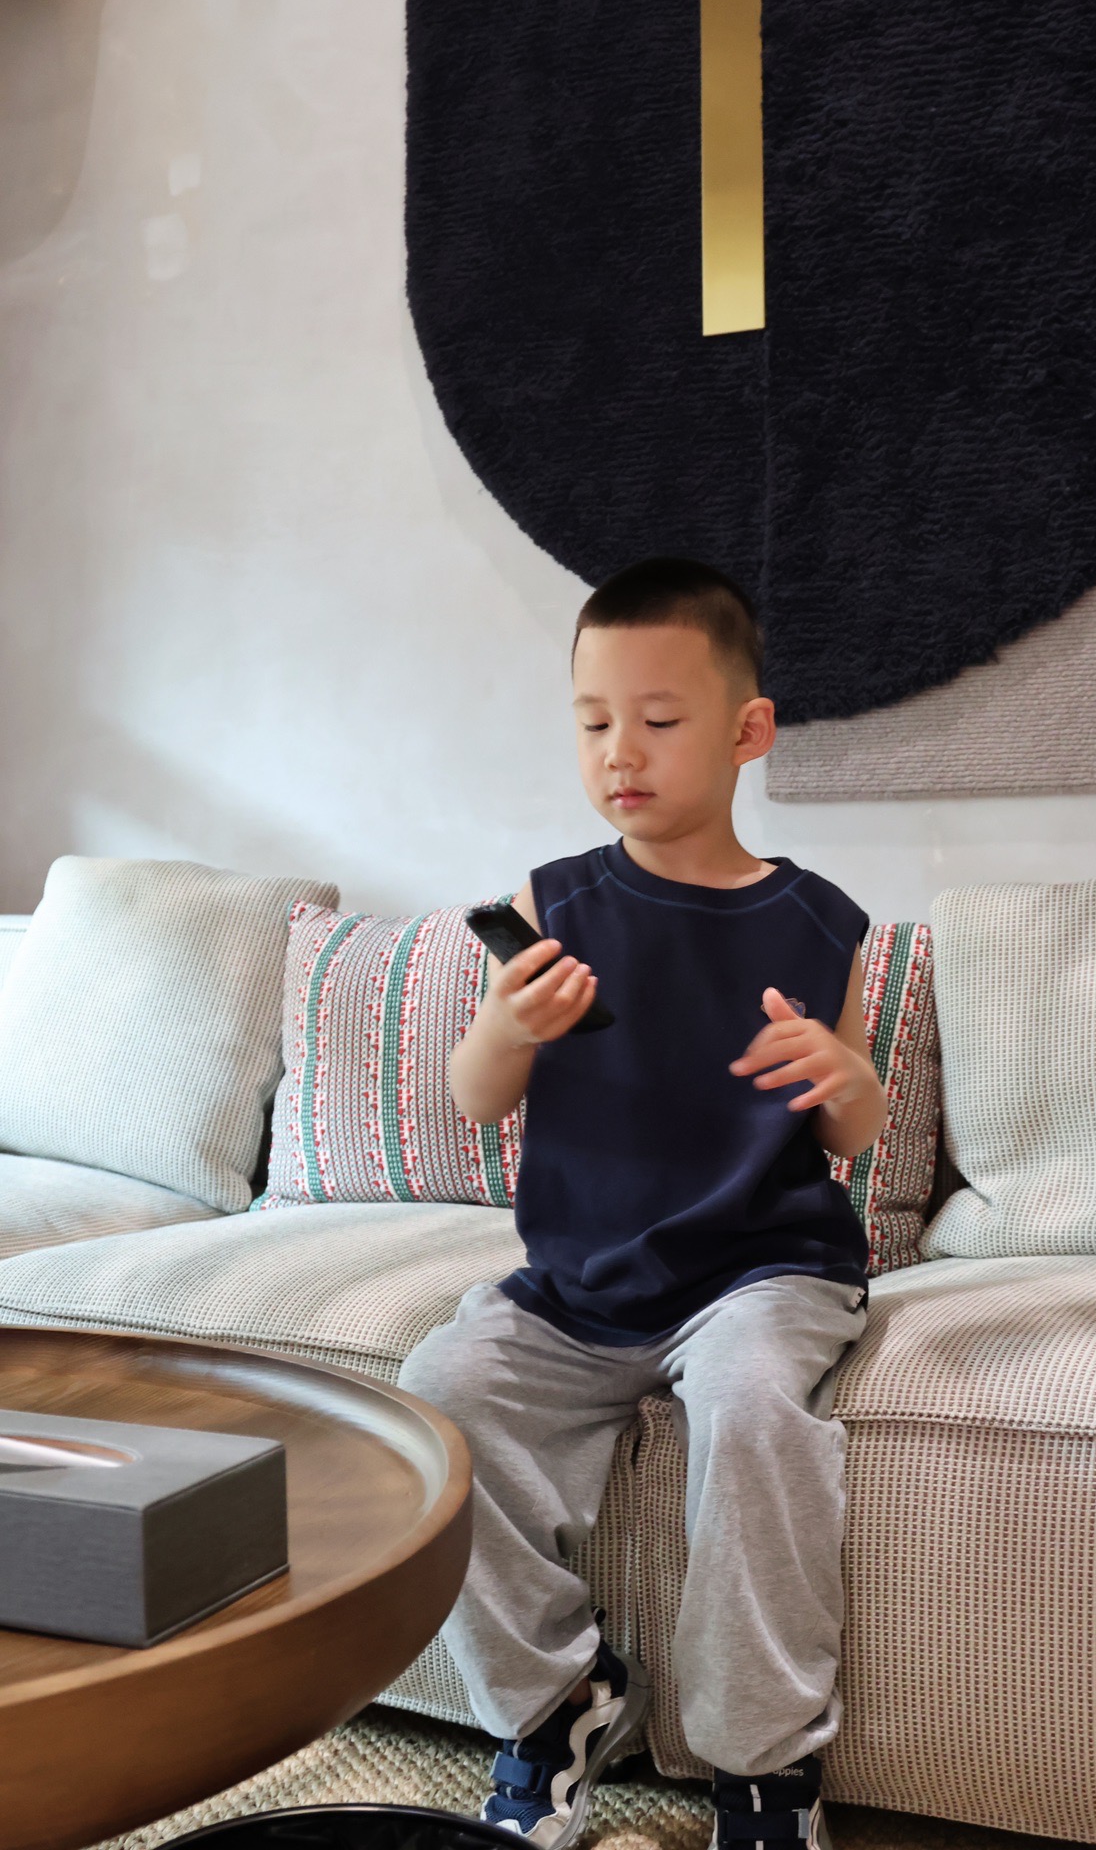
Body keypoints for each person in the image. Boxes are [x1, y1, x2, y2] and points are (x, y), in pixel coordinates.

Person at [399, 558, 887, 1850]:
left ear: (747, 732)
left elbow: (851, 1130)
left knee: (751, 1409)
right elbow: (473, 1100)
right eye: (593, 720)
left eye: (660, 720)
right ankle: (559, 1700)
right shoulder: (552, 905)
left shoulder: (820, 923)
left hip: (763, 1271)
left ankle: (763, 1762)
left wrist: (846, 1078)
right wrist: (507, 1025)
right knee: (440, 1392)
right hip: (581, 1280)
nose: (621, 751)